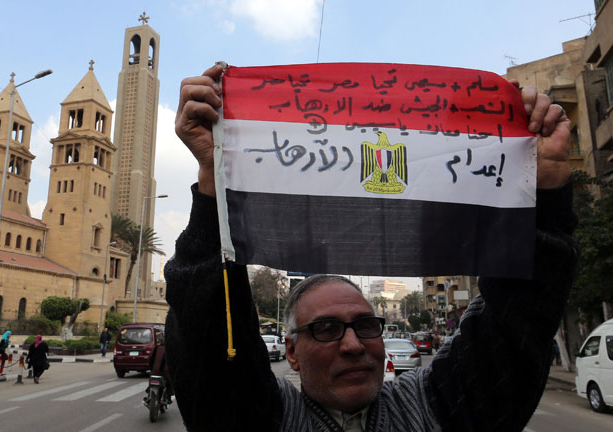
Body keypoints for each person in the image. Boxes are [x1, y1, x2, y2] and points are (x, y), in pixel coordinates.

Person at [165, 65, 575, 431]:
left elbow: (513, 327)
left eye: (365, 325)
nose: (353, 345)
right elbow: (209, 339)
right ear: (290, 351)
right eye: (325, 329)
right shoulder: (265, 417)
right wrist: (212, 181)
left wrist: (547, 190)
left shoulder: (434, 409)